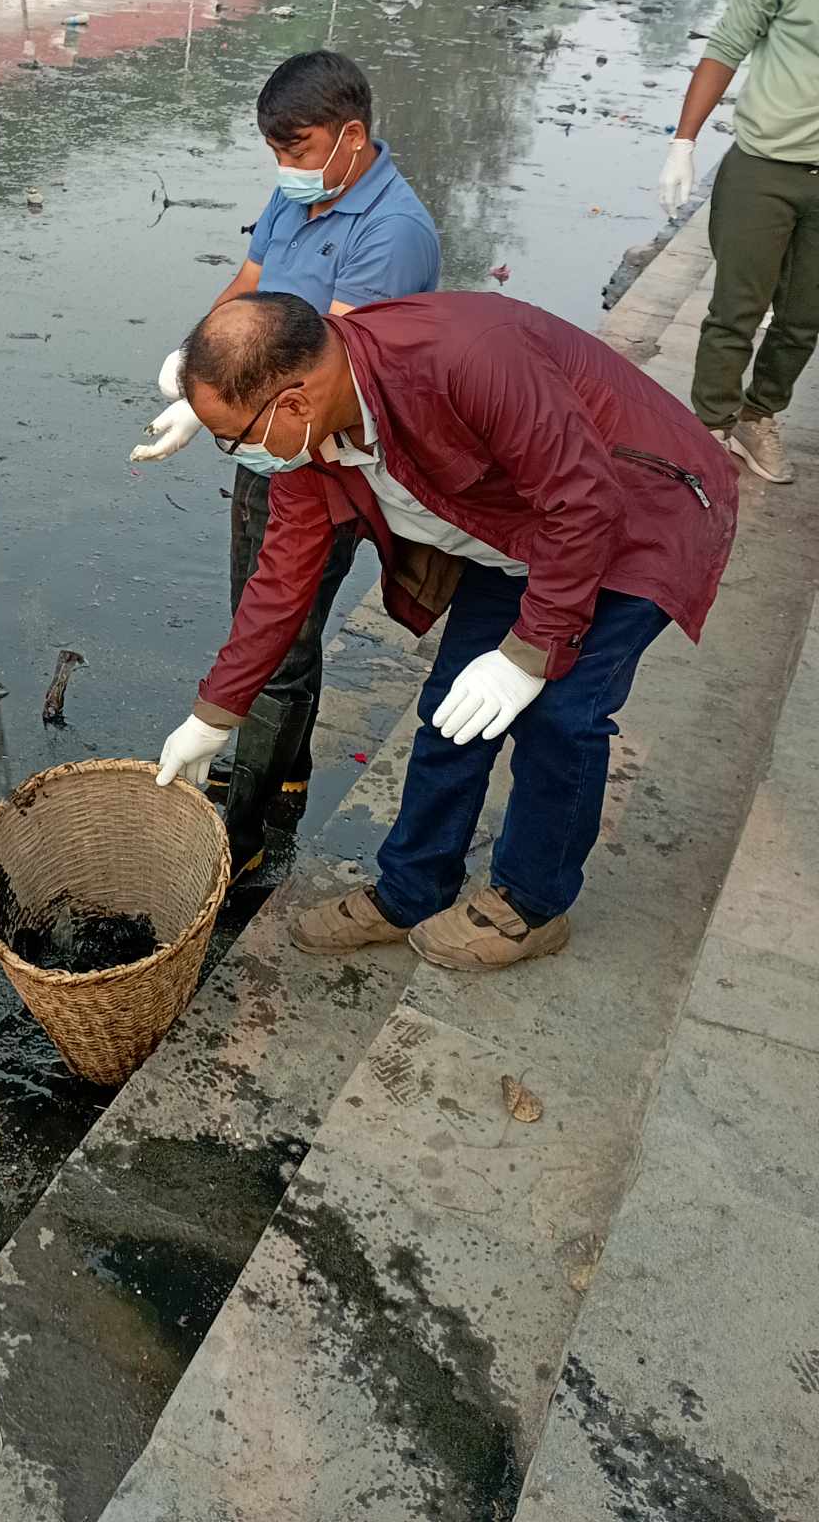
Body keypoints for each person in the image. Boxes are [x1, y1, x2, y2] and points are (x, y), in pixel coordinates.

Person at [157, 290, 738, 970]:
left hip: (639, 516)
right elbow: (281, 581)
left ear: (292, 404)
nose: (237, 455)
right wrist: (213, 713)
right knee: (451, 708)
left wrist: (526, 656)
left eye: (235, 438)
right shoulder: (311, 442)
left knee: (560, 713)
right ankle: (412, 888)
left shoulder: (468, 358)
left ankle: (531, 904)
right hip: (513, 529)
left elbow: (585, 506)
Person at [132, 53, 439, 874]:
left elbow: (321, 369)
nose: (286, 169)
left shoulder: (393, 233)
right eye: (275, 152)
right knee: (255, 618)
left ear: (352, 137)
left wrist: (222, 406)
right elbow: (251, 281)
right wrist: (201, 369)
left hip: (321, 455)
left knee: (281, 637)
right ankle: (283, 767)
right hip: (263, 439)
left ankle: (249, 831)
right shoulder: (300, 194)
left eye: (297, 150)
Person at [660, 0, 819, 485]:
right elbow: (727, 46)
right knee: (735, 310)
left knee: (804, 318)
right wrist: (683, 142)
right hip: (764, 166)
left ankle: (759, 416)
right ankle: (708, 428)